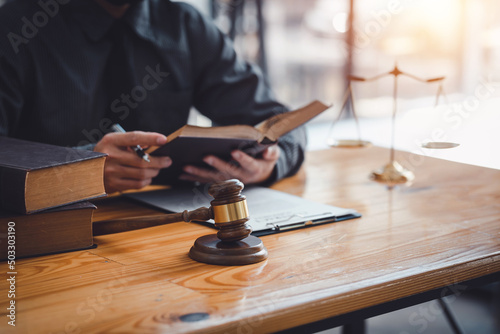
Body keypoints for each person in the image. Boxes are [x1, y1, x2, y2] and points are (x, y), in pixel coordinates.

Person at [0, 0, 306, 193]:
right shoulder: (16, 28)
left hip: (171, 230)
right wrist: (78, 168)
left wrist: (269, 166)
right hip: (46, 237)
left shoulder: (184, 24)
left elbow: (281, 121)